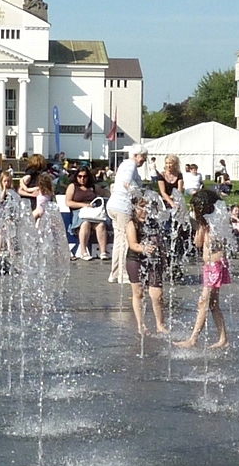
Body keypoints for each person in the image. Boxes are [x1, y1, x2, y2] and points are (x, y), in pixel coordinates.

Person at [173, 189, 229, 349]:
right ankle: (223, 339)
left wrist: (203, 227)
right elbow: (198, 244)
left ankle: (193, 339)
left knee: (203, 302)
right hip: (210, 266)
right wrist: (200, 226)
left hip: (215, 266)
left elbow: (206, 242)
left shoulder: (215, 224)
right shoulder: (207, 224)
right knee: (212, 303)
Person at [106, 144, 148, 284]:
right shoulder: (131, 165)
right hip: (122, 206)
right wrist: (138, 195)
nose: (144, 160)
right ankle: (124, 274)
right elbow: (126, 183)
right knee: (125, 241)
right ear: (136, 155)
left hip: (113, 205)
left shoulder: (123, 164)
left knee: (118, 241)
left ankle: (115, 273)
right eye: (143, 157)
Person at [126, 196, 167, 336]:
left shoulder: (154, 223)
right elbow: (132, 244)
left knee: (157, 295)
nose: (144, 210)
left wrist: (164, 259)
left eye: (146, 207)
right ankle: (141, 325)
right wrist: (143, 248)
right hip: (135, 260)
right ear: (134, 208)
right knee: (138, 293)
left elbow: (161, 243)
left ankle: (160, 325)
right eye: (140, 207)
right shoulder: (132, 223)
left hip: (154, 261)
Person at [65, 167, 108, 260]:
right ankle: (83, 252)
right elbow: (68, 202)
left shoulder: (93, 187)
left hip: (93, 212)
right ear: (76, 176)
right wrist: (83, 205)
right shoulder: (73, 187)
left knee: (101, 225)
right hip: (79, 212)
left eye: (85, 176)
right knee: (85, 224)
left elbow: (105, 193)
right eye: (79, 176)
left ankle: (103, 252)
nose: (82, 179)